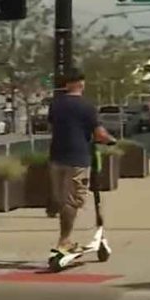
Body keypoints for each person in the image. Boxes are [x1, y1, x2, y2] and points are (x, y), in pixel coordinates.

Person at [47, 69, 117, 258]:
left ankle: (55, 206)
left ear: (67, 84)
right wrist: (111, 140)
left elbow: (53, 126)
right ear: (82, 84)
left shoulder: (55, 105)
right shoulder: (87, 106)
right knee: (74, 200)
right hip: (77, 158)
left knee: (62, 199)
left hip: (56, 157)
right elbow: (99, 134)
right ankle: (64, 241)